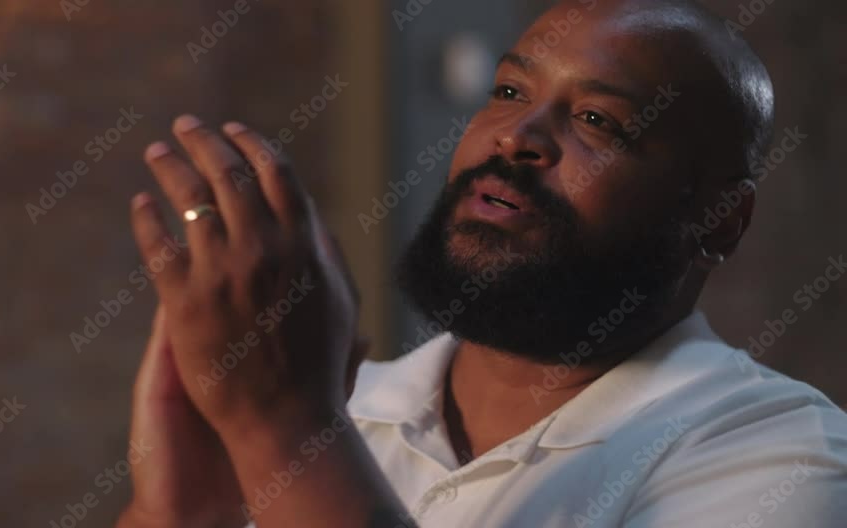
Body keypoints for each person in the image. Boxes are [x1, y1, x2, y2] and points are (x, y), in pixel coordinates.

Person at [116, 0, 847, 526]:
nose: (516, 137)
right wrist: (181, 515)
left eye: (597, 120)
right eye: (507, 91)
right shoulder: (349, 408)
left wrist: (285, 438)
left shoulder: (781, 459)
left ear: (721, 221)